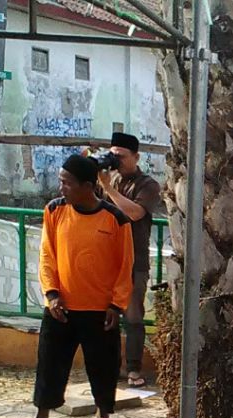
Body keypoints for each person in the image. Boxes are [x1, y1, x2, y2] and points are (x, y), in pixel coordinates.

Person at [9, 155, 133, 418]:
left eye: (67, 182)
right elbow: (47, 255)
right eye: (61, 181)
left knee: (103, 366)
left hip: (100, 310)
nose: (61, 187)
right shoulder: (54, 210)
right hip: (60, 308)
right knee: (50, 364)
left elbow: (125, 266)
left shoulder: (116, 219)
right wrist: (51, 294)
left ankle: (104, 417)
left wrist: (117, 304)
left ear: (88, 186)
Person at [97, 132, 161, 389]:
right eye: (113, 156)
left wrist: (108, 189)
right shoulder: (106, 179)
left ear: (136, 157)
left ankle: (133, 369)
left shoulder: (148, 185)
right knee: (105, 315)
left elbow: (134, 213)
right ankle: (109, 366)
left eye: (121, 157)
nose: (117, 162)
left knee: (133, 315)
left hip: (135, 260)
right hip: (107, 259)